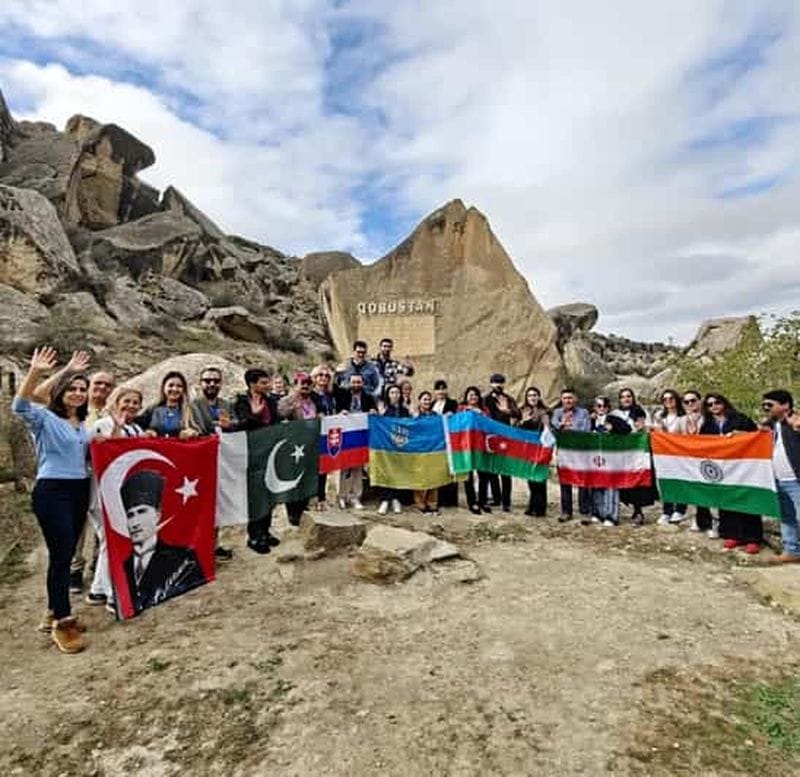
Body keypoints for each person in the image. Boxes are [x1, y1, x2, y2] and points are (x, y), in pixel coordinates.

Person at [12, 346, 91, 654]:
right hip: (53, 491)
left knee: (66, 552)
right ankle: (63, 622)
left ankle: (52, 611)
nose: (78, 393)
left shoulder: (81, 424)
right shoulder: (44, 418)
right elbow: (20, 405)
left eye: (82, 389)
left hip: (79, 490)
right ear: (61, 392)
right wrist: (43, 371)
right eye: (72, 388)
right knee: (61, 557)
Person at [35, 361, 115, 595]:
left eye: (108, 385)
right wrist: (68, 369)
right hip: (68, 476)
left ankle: (96, 568)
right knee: (72, 533)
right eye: (98, 383)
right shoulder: (71, 409)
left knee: (101, 523)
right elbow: (37, 398)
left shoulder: (111, 411)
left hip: (96, 476)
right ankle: (74, 571)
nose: (102, 388)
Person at [86, 388, 145, 614]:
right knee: (116, 539)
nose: (130, 406)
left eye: (135, 402)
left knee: (107, 542)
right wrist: (117, 427)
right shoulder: (102, 425)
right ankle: (115, 594)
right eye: (126, 401)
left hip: (122, 492)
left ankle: (98, 589)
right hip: (102, 493)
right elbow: (114, 450)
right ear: (116, 402)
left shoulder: (136, 428)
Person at [121, 469, 205, 613]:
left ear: (158, 515)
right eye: (130, 515)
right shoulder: (122, 566)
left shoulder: (184, 558)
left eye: (142, 511)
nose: (135, 523)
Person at [699, 393, 762, 553]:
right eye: (710, 404)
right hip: (721, 468)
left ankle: (752, 537)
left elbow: (757, 437)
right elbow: (702, 445)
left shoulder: (741, 419)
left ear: (724, 403)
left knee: (746, 500)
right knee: (727, 501)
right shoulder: (707, 425)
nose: (714, 406)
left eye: (717, 402)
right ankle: (733, 534)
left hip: (742, 465)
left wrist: (740, 436)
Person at [190, 366, 237, 562]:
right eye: (207, 380)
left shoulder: (226, 404)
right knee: (198, 507)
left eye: (215, 381)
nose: (211, 384)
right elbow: (190, 428)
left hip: (221, 461)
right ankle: (196, 547)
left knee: (217, 506)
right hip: (198, 462)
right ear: (201, 383)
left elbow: (235, 425)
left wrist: (230, 426)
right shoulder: (192, 406)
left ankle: (213, 545)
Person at [233, 368, 280, 553]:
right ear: (252, 384)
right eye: (263, 382)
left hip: (270, 452)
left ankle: (265, 531)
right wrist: (255, 414)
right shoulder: (241, 402)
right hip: (252, 453)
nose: (267, 385)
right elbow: (243, 424)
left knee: (269, 494)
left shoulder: (270, 401)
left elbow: (275, 422)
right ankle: (254, 536)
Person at [761, 390, 800, 563]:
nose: (765, 408)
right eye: (763, 405)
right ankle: (792, 551)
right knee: (786, 517)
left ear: (785, 405)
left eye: (769, 405)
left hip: (796, 480)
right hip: (777, 479)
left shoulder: (795, 421)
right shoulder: (769, 425)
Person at [278, 372, 320, 526]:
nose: (306, 385)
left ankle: (303, 510)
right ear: (295, 384)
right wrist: (292, 407)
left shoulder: (314, 400)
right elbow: (280, 415)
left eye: (309, 383)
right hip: (293, 446)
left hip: (311, 445)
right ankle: (293, 514)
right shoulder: (286, 400)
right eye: (302, 383)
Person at [613, 387, 655, 525]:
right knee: (621, 481)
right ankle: (614, 511)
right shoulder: (615, 414)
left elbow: (649, 429)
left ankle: (638, 512)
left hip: (637, 453)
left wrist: (643, 428)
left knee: (637, 481)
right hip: (621, 453)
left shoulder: (641, 412)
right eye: (623, 396)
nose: (626, 399)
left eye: (629, 396)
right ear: (619, 399)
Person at [336, 373, 376, 509]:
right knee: (344, 467)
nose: (356, 385)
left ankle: (355, 497)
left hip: (360, 436)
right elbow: (336, 411)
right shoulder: (342, 396)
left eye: (358, 382)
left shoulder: (368, 397)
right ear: (349, 383)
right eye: (353, 382)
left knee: (358, 467)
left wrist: (373, 411)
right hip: (346, 434)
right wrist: (341, 413)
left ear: (362, 384)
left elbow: (373, 410)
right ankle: (341, 496)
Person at [551, 388, 592, 522]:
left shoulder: (584, 412)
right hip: (564, 453)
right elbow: (553, 429)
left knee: (583, 482)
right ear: (561, 400)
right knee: (565, 482)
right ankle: (566, 511)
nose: (568, 400)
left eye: (570, 398)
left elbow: (586, 430)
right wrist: (561, 426)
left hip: (580, 452)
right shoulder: (557, 413)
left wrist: (569, 429)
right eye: (565, 398)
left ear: (575, 399)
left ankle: (584, 511)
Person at [483, 374, 520, 512]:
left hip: (506, 438)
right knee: (492, 470)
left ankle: (506, 502)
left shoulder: (509, 399)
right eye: (495, 382)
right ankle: (496, 498)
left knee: (506, 471)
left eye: (500, 383)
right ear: (491, 384)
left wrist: (507, 411)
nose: (498, 385)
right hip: (491, 438)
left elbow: (518, 415)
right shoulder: (485, 400)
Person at [652, 390, 688, 525]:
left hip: (680, 453)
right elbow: (657, 434)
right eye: (665, 399)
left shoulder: (683, 417)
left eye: (671, 398)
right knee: (665, 481)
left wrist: (664, 430)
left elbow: (684, 435)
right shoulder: (659, 415)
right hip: (663, 454)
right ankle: (667, 510)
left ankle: (679, 509)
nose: (668, 401)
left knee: (679, 480)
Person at [589, 410, 630, 527]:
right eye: (597, 406)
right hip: (596, 460)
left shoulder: (613, 418)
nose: (600, 409)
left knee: (611, 488)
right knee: (596, 487)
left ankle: (611, 516)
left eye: (603, 406)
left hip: (612, 460)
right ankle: (598, 513)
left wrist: (613, 427)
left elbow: (627, 429)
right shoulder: (591, 420)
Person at [459, 386, 492, 514]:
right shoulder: (461, 409)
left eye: (475, 395)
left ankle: (482, 501)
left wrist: (479, 413)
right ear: (466, 397)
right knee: (468, 476)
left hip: (481, 445)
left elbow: (489, 425)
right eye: (470, 395)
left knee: (483, 475)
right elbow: (457, 423)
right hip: (466, 446)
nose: (473, 397)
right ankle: (472, 502)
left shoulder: (484, 410)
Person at [377, 385, 409, 515]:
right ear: (388, 395)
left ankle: (396, 499)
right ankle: (385, 499)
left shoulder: (405, 411)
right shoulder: (383, 410)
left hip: (401, 446)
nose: (395, 395)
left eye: (397, 392)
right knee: (386, 471)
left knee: (398, 472)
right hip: (386, 446)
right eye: (392, 392)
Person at [138, 371, 199, 439]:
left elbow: (201, 432)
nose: (175, 389)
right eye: (171, 385)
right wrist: (149, 432)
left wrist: (192, 433)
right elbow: (137, 427)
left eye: (179, 386)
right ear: (164, 388)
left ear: (183, 390)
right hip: (156, 448)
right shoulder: (153, 408)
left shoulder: (191, 409)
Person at [311, 365, 338, 511]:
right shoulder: (310, 395)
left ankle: (321, 497)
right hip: (313, 434)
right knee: (313, 468)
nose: (323, 378)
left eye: (327, 376)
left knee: (324, 468)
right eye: (320, 375)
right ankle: (313, 497)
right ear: (314, 377)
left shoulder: (330, 395)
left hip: (328, 434)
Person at [520, 386, 550, 517]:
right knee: (530, 478)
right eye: (530, 395)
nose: (532, 398)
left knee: (540, 478)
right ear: (526, 398)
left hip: (540, 448)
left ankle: (540, 508)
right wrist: (523, 421)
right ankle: (532, 505)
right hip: (527, 449)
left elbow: (547, 429)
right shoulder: (522, 411)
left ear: (539, 397)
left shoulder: (544, 412)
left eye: (535, 395)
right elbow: (515, 429)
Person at [432, 379, 459, 508]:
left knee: (450, 467)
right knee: (439, 468)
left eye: (443, 388)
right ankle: (440, 498)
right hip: (436, 440)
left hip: (449, 439)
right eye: (438, 389)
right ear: (435, 391)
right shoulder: (432, 404)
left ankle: (451, 500)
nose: (441, 391)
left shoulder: (453, 403)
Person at [413, 391, 439, 514]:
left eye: (429, 399)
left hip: (433, 449)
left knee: (433, 476)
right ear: (420, 401)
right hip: (419, 449)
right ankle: (420, 502)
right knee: (420, 476)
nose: (427, 402)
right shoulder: (414, 415)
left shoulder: (436, 416)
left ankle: (432, 502)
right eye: (424, 399)